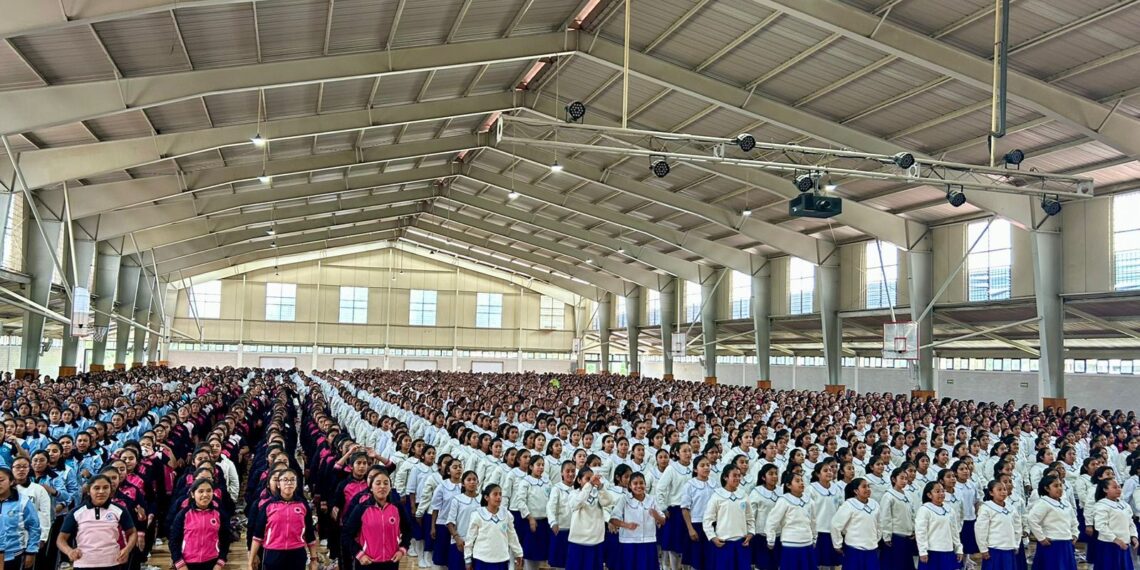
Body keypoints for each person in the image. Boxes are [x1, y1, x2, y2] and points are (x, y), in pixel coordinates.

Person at [57, 474, 135, 570]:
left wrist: (127, 549)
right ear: (89, 491)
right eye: (96, 488)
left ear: (110, 490)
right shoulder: (76, 512)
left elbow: (132, 532)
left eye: (105, 487)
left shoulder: (119, 510)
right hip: (83, 564)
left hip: (112, 563)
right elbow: (61, 539)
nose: (101, 491)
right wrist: (69, 551)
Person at [248, 468, 319, 570]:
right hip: (273, 553)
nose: (289, 483)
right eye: (285, 480)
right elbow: (258, 535)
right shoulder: (268, 506)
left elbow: (310, 534)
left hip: (297, 553)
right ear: (278, 484)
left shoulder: (303, 505)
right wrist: (251, 561)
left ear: (296, 484)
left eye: (292, 480)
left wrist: (314, 559)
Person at [341, 470, 411, 570]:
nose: (382, 486)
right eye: (378, 483)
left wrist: (402, 549)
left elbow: (408, 530)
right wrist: (359, 554)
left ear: (390, 487)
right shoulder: (361, 508)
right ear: (371, 488)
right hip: (367, 563)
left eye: (386, 483)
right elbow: (346, 535)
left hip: (391, 562)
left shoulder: (397, 508)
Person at [169, 479, 233, 570]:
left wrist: (220, 562)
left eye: (209, 491)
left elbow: (225, 539)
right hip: (187, 564)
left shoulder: (219, 514)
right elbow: (174, 540)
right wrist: (179, 563)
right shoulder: (183, 514)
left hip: (212, 562)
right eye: (201, 491)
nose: (205, 495)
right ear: (193, 494)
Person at [703, 465, 754, 570]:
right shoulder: (717, 496)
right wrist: (713, 537)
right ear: (725, 477)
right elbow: (707, 520)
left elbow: (750, 517)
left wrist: (751, 533)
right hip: (724, 543)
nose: (737, 478)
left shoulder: (743, 495)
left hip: (742, 543)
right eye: (734, 475)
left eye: (739, 476)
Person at [609, 472, 663, 570]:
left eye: (641, 483)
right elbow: (613, 519)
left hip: (648, 541)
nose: (639, 486)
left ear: (645, 484)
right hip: (629, 542)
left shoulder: (652, 499)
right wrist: (626, 525)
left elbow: (663, 521)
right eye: (635, 483)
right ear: (630, 486)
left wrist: (657, 516)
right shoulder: (624, 499)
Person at [462, 484, 523, 570]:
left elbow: (512, 536)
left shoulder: (506, 514)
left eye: (500, 494)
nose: (499, 497)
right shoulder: (477, 515)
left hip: (501, 559)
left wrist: (518, 553)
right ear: (486, 497)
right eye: (495, 494)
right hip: (482, 559)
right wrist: (467, 558)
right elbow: (470, 538)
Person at [1025, 475, 1078, 570]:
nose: (1060, 488)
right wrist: (1041, 538)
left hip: (1066, 543)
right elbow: (1032, 519)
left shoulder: (1066, 503)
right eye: (1055, 486)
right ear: (1046, 488)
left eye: (1060, 485)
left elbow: (1073, 521)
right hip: (1052, 544)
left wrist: (1075, 534)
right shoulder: (1043, 503)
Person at [565, 468, 613, 570]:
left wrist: (600, 487)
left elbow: (608, 501)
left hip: (596, 541)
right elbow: (575, 504)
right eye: (587, 479)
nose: (591, 481)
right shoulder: (573, 493)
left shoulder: (598, 493)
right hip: (578, 541)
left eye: (592, 478)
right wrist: (589, 485)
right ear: (579, 480)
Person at [765, 472, 815, 570]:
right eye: (797, 481)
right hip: (790, 543)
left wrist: (814, 537)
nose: (801, 483)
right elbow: (772, 521)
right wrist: (770, 539)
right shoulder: (784, 500)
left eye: (802, 481)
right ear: (788, 485)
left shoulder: (809, 501)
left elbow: (813, 521)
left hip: (807, 541)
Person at [830, 478, 880, 570]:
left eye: (868, 486)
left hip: (872, 549)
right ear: (856, 491)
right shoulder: (849, 505)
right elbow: (835, 525)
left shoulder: (875, 504)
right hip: (854, 550)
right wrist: (838, 545)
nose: (868, 489)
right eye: (864, 487)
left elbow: (879, 524)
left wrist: (876, 539)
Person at [512, 455, 551, 570]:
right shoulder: (525, 482)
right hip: (531, 523)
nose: (541, 467)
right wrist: (530, 518)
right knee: (530, 555)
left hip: (545, 522)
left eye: (543, 465)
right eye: (538, 465)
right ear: (531, 467)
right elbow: (520, 501)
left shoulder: (547, 481)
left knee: (544, 556)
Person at [1090, 478, 1138, 570]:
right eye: (1115, 487)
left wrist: (1133, 536)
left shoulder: (1125, 505)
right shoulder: (1101, 505)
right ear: (1105, 489)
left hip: (1124, 544)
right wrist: (1116, 539)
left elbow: (1130, 522)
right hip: (1108, 545)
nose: (1118, 489)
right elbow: (1101, 526)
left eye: (1119, 487)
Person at [915, 481, 963, 570]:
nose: (941, 494)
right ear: (929, 495)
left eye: (942, 491)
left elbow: (954, 531)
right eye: (937, 491)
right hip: (932, 551)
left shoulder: (949, 510)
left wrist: (958, 548)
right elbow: (921, 532)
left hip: (948, 550)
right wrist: (922, 551)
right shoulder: (924, 510)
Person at [974, 480, 1021, 570]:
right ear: (991, 493)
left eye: (1004, 489)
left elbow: (1017, 526)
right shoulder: (986, 508)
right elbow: (980, 530)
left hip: (1009, 548)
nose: (1003, 492)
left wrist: (1016, 543)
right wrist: (983, 549)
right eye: (999, 490)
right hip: (994, 549)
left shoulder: (1011, 508)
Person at [0, 467, 41, 570]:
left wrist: (31, 551)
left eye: (1, 480)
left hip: (13, 555)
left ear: (11, 482)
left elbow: (34, 527)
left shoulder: (23, 502)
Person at [679, 455, 714, 570]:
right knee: (697, 559)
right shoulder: (690, 485)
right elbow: (685, 509)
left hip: (712, 524)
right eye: (702, 465)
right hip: (697, 525)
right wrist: (690, 529)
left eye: (708, 465)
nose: (706, 468)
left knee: (711, 558)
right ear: (695, 469)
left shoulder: (715, 483)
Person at [880, 466, 917, 570]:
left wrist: (913, 529)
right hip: (895, 537)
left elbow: (912, 514)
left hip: (907, 537)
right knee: (895, 565)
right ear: (893, 479)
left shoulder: (908, 495)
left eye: (906, 478)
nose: (904, 481)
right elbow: (885, 517)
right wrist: (886, 536)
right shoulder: (888, 496)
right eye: (901, 478)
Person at [442, 470, 480, 570]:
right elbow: (450, 522)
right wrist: (457, 538)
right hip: (460, 542)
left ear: (478, 482)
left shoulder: (483, 500)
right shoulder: (457, 499)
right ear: (463, 483)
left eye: (474, 480)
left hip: (478, 543)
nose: (472, 482)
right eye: (469, 480)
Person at [748, 464, 781, 570]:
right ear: (763, 477)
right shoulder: (756, 492)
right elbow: (751, 515)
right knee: (763, 565)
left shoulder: (781, 491)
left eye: (776, 473)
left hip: (779, 534)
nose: (774, 476)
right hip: (761, 535)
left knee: (777, 565)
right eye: (770, 474)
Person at [546, 461, 577, 570]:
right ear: (562, 473)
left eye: (573, 471)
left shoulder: (578, 488)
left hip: (575, 531)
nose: (570, 474)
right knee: (559, 563)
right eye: (567, 471)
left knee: (573, 561)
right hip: (561, 530)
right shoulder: (557, 488)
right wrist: (553, 522)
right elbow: (551, 507)